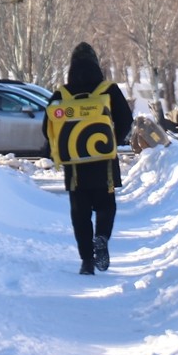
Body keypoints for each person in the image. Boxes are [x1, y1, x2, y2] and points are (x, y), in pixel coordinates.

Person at [43, 42, 133, 276]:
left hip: (75, 168)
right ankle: (101, 237)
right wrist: (112, 141)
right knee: (106, 206)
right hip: (104, 164)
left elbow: (47, 127)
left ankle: (86, 261)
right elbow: (126, 120)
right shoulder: (108, 90)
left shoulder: (62, 94)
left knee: (80, 214)